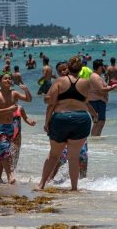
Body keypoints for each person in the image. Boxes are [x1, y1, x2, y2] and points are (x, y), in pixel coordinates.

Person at [38, 56, 92, 191]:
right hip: (81, 119)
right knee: (74, 157)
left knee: (53, 155)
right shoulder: (86, 82)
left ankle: (41, 185)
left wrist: (46, 121)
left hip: (61, 119)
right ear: (81, 68)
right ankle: (74, 188)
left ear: (68, 67)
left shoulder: (60, 81)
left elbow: (50, 103)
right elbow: (86, 100)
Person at [0, 73, 32, 184]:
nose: (8, 80)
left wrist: (26, 90)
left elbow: (28, 99)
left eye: (9, 78)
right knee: (4, 151)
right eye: (5, 78)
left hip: (10, 127)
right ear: (0, 81)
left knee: (4, 152)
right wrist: (9, 109)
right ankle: (10, 175)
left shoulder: (14, 93)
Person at [89, 59, 117, 136]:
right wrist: (112, 87)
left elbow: (100, 88)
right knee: (99, 122)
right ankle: (94, 139)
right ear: (100, 67)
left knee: (100, 122)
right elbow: (102, 89)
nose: (104, 68)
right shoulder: (95, 77)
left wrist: (110, 87)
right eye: (103, 66)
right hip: (96, 101)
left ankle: (96, 139)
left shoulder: (96, 76)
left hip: (98, 101)